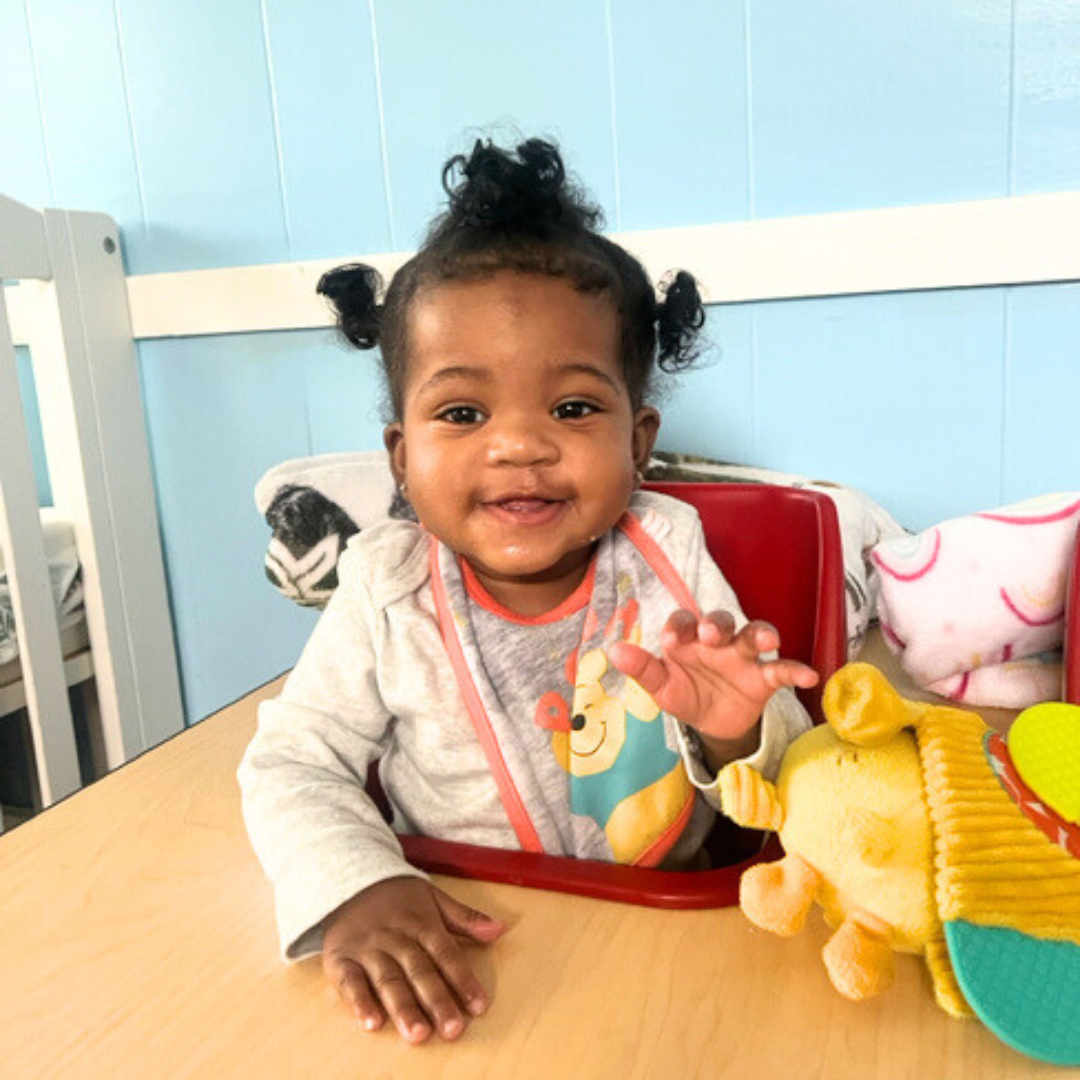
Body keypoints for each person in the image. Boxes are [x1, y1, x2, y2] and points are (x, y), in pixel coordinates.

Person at [238, 137, 818, 1046]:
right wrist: (356, 885)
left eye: (573, 408)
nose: (517, 446)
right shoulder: (386, 588)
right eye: (462, 413)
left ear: (638, 441)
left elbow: (790, 769)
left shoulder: (666, 552)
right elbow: (293, 763)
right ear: (402, 458)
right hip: (466, 938)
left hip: (667, 941)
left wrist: (734, 729)